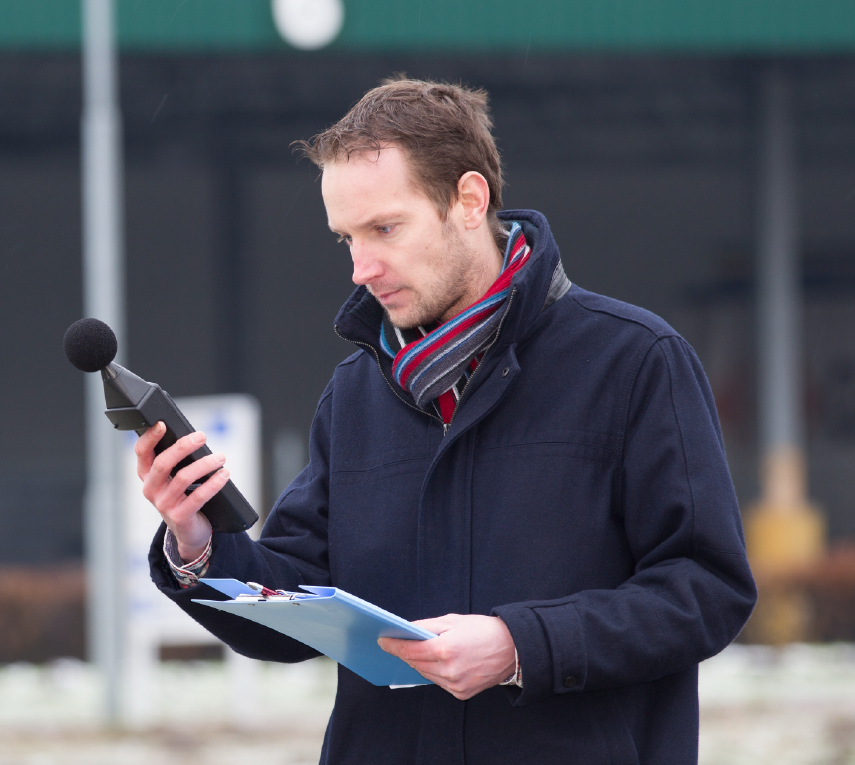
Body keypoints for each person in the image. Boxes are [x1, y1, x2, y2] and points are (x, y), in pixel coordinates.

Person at [134, 76, 756, 764]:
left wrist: (521, 645)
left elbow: (705, 589)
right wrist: (198, 545)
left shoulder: (637, 362)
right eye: (345, 238)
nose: (360, 267)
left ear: (468, 200)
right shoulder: (354, 396)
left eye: (384, 228)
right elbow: (294, 610)